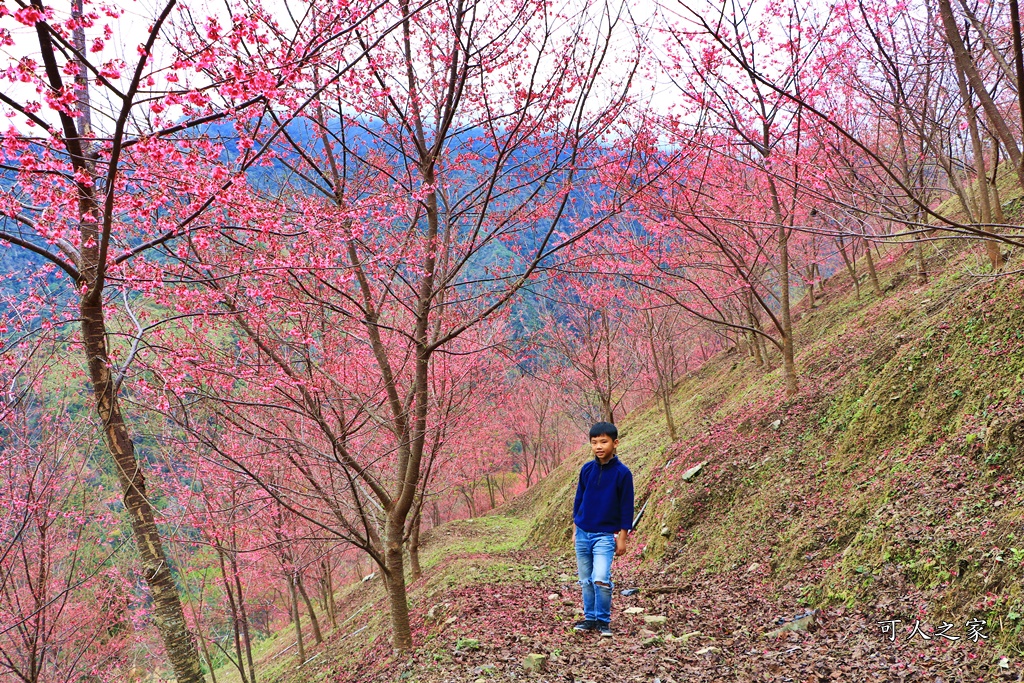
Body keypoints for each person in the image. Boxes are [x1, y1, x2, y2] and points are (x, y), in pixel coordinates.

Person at [572, 421, 634, 638]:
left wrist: (623, 537)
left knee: (600, 577)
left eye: (603, 442)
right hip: (582, 532)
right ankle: (590, 619)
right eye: (594, 442)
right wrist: (575, 528)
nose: (598, 446)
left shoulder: (622, 473)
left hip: (605, 535)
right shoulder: (586, 470)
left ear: (615, 443)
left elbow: (627, 507)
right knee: (585, 579)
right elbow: (579, 499)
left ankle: (603, 620)